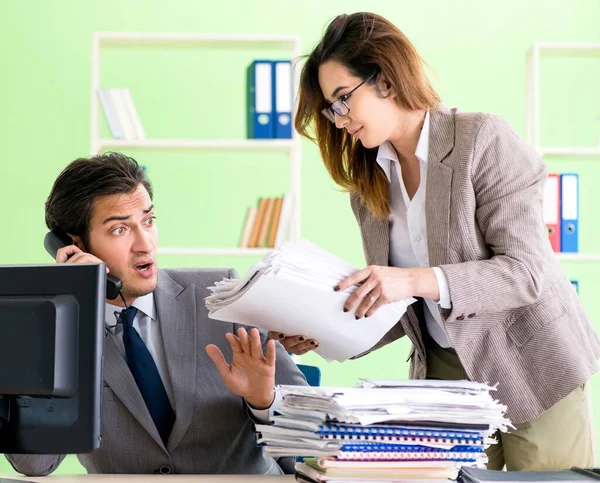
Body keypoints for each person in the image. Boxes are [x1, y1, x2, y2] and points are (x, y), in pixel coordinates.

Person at [272, 12, 600, 471]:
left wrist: (410, 279)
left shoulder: (482, 140)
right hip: (445, 375)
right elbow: (403, 303)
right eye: (331, 108)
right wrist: (324, 329)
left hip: (533, 363)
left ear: (385, 80)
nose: (339, 119)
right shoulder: (368, 187)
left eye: (342, 99)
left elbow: (526, 274)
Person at [6, 152, 306, 476]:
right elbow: (34, 464)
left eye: (148, 221)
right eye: (120, 230)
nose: (145, 244)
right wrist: (75, 319)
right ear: (74, 244)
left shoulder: (221, 297)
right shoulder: (57, 328)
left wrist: (264, 402)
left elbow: (313, 448)